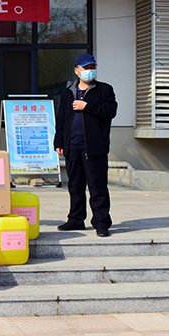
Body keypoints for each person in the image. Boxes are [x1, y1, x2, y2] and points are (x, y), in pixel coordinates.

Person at [54, 54, 117, 237]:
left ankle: (101, 223)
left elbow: (110, 111)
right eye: (86, 68)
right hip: (72, 146)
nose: (90, 71)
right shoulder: (68, 93)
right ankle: (76, 219)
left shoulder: (104, 90)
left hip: (94, 147)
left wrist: (86, 106)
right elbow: (61, 119)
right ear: (77, 71)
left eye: (92, 67)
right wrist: (59, 141)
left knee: (97, 187)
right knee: (75, 185)